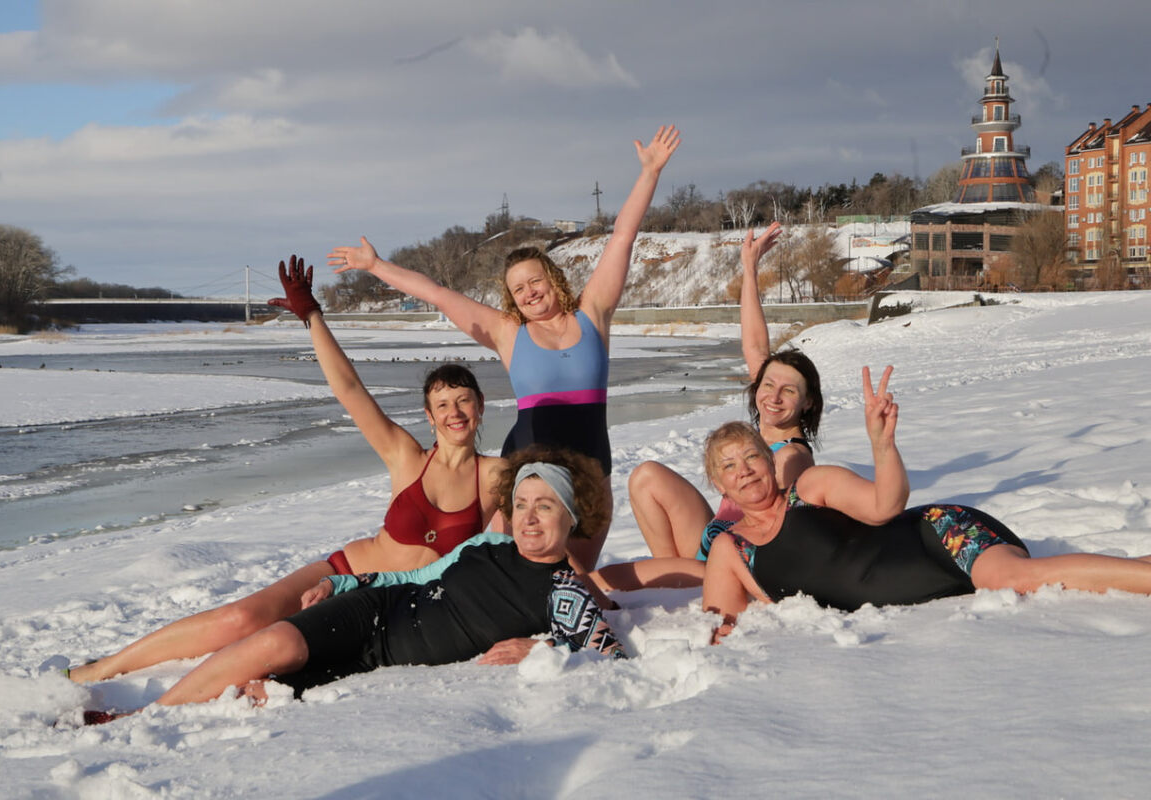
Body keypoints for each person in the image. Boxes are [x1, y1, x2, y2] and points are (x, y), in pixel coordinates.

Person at [68, 257, 504, 684]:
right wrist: (312, 316)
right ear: (429, 416)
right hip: (342, 572)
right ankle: (100, 668)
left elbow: (535, 532)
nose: (455, 412)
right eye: (443, 404)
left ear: (481, 408)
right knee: (242, 618)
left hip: (396, 604)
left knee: (275, 654)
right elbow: (349, 388)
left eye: (464, 400)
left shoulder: (496, 476)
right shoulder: (405, 456)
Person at [327, 126, 681, 571]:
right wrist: (377, 266)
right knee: (529, 578)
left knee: (579, 576)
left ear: (553, 279)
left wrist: (648, 173)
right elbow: (437, 293)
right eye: (517, 289)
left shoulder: (593, 314)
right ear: (509, 298)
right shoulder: (508, 332)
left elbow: (622, 238)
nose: (529, 292)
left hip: (593, 467)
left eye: (535, 281)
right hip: (528, 472)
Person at [89, 447, 625, 715]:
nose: (530, 518)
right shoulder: (488, 544)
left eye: (546, 506)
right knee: (273, 640)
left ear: (573, 516)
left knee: (272, 683)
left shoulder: (566, 592)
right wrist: (343, 585)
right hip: (376, 608)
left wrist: (539, 646)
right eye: (523, 504)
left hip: (382, 655)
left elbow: (608, 658)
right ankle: (142, 716)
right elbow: (420, 574)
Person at [701, 366, 1151, 641]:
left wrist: (882, 447)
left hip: (940, 537)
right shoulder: (732, 550)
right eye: (729, 466)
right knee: (1022, 579)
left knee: (1018, 579)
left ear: (769, 459)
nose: (744, 470)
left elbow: (885, 506)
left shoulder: (811, 487)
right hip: (928, 588)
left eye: (751, 456)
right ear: (719, 483)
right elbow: (720, 624)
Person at [590, 222, 823, 592]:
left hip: (733, 559)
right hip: (712, 537)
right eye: (768, 385)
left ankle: (678, 580)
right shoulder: (763, 431)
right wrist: (748, 268)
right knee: (646, 476)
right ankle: (673, 579)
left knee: (604, 580)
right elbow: (755, 346)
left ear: (808, 402)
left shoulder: (792, 456)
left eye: (789, 391)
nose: (774, 397)